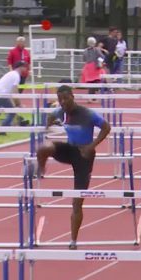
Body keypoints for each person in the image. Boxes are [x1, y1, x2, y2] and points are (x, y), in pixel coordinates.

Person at [34, 85, 111, 249]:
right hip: (69, 150)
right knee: (43, 148)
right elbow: (50, 117)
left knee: (77, 202)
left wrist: (92, 145)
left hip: (84, 155)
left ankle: (73, 241)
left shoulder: (87, 114)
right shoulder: (60, 112)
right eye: (60, 99)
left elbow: (106, 127)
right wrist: (48, 126)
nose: (63, 102)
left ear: (72, 96)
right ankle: (40, 170)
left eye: (65, 98)